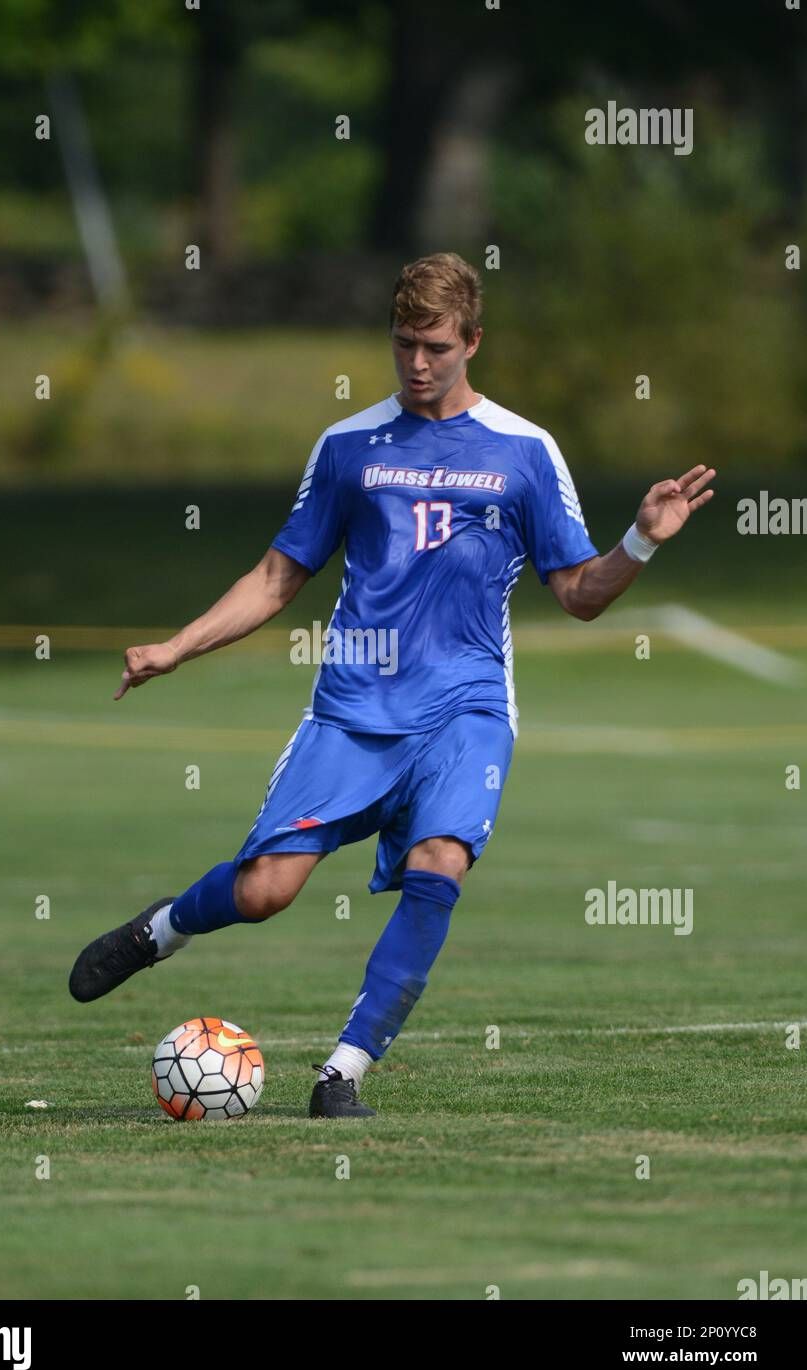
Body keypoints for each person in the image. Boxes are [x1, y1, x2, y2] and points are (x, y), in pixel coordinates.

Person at [68, 251, 715, 1118]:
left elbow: (579, 596)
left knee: (438, 864)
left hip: (466, 706)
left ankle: (342, 1073)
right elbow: (275, 575)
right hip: (353, 710)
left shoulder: (524, 452)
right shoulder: (348, 447)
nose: (417, 364)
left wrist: (639, 541)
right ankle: (163, 930)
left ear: (472, 342)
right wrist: (176, 647)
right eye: (403, 344)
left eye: (436, 347)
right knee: (264, 893)